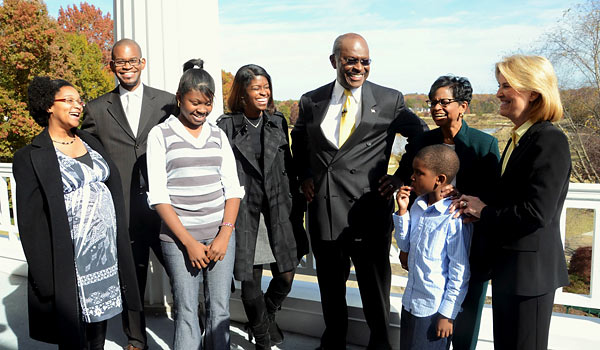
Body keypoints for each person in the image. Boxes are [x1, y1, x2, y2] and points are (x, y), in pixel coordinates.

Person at [290, 32, 428, 349]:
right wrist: (306, 174)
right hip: (325, 208)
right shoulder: (311, 100)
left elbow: (419, 134)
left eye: (365, 61)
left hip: (368, 211)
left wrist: (401, 176)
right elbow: (299, 141)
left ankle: (380, 344)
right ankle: (333, 342)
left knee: (374, 288)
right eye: (351, 60)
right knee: (330, 287)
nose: (358, 67)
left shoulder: (390, 99)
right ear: (334, 61)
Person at [13, 76, 142, 349]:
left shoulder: (91, 141)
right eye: (68, 100)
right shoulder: (30, 156)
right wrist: (44, 278)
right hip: (68, 262)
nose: (77, 106)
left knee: (98, 334)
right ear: (49, 106)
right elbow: (30, 222)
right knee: (73, 338)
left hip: (105, 258)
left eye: (79, 101)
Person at [452, 55, 571, 350]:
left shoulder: (549, 140)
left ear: (533, 92)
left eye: (506, 86)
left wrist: (486, 211)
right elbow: (511, 196)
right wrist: (473, 203)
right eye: (499, 85)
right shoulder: (520, 138)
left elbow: (535, 212)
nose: (498, 94)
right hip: (509, 270)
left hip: (531, 275)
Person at [82, 38, 176, 350]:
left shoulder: (167, 103)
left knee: (183, 272)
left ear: (142, 63)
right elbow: (86, 157)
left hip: (164, 208)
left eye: (132, 61)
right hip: (121, 208)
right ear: (112, 66)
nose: (127, 67)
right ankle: (136, 338)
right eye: (120, 62)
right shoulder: (96, 109)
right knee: (131, 281)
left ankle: (193, 329)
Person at [146, 58, 244, 350]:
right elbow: (159, 196)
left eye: (207, 103)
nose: (201, 110)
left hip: (220, 238)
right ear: (179, 99)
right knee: (187, 312)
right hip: (179, 240)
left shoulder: (217, 135)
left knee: (220, 310)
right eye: (195, 102)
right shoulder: (160, 135)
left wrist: (225, 234)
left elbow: (233, 188)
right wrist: (188, 242)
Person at [398, 76, 500, 350]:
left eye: (444, 101)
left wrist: (464, 196)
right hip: (429, 242)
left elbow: (493, 195)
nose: (436, 107)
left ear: (463, 106)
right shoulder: (423, 141)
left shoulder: (483, 144)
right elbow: (407, 178)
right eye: (433, 102)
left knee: (465, 325)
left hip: (469, 243)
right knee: (428, 331)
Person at [217, 64, 308, 349]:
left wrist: (300, 200)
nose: (263, 93)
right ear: (242, 94)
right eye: (256, 88)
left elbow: (289, 164)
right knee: (250, 280)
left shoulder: (277, 121)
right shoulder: (226, 126)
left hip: (280, 207)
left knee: (286, 274)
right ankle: (263, 337)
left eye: (266, 87)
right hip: (246, 211)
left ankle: (265, 318)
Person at [394, 144, 471, 350]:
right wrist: (402, 212)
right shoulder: (417, 206)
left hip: (434, 310)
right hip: (410, 303)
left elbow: (460, 271)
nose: (412, 177)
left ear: (440, 179)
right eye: (413, 171)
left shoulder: (452, 217)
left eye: (419, 173)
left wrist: (447, 313)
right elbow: (404, 245)